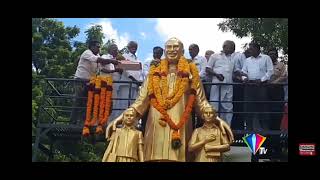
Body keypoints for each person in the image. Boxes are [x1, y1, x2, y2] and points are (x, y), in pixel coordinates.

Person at [106, 37, 233, 162]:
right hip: (156, 123)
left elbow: (201, 101)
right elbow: (141, 100)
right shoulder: (153, 73)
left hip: (180, 124)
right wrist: (121, 117)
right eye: (169, 47)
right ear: (165, 51)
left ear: (182, 51)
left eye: (175, 47)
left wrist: (216, 119)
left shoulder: (191, 74)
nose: (172, 50)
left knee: (179, 156)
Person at [70, 40, 120, 124]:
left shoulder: (97, 55)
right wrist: (111, 61)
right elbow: (99, 60)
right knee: (79, 100)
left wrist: (114, 70)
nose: (99, 48)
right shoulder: (87, 53)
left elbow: (101, 69)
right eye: (97, 46)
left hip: (89, 82)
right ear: (91, 47)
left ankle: (83, 123)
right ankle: (72, 122)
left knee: (87, 102)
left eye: (99, 47)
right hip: (81, 80)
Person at [241, 42, 273, 131]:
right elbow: (243, 71)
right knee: (248, 109)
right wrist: (244, 78)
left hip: (261, 86)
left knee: (263, 109)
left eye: (251, 49)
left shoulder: (266, 58)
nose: (249, 51)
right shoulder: (247, 60)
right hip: (249, 86)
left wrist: (262, 80)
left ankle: (265, 133)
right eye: (249, 49)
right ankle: (249, 131)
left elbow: (270, 71)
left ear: (257, 49)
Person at [206, 40, 239, 126]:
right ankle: (214, 127)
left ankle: (227, 128)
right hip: (217, 86)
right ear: (224, 47)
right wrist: (216, 75)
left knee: (228, 108)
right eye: (232, 48)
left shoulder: (233, 58)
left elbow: (235, 72)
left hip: (228, 87)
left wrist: (243, 76)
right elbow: (208, 69)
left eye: (234, 48)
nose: (233, 50)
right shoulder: (214, 56)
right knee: (215, 106)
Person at [267, 48, 287, 130]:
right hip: (266, 90)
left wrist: (274, 83)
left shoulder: (281, 65)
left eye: (273, 53)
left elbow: (284, 76)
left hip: (277, 90)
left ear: (277, 55)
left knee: (277, 114)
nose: (272, 55)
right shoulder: (264, 64)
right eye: (270, 54)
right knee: (266, 113)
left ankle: (276, 138)